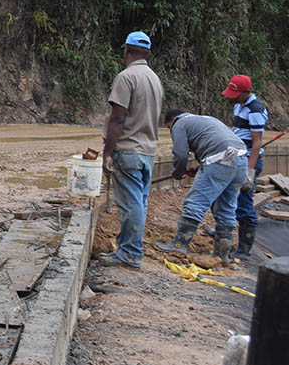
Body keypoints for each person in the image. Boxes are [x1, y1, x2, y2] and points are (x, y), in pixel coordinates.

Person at [97, 31, 164, 268]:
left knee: (130, 204)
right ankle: (127, 247)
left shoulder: (126, 77)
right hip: (147, 151)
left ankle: (131, 253)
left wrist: (107, 153)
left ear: (127, 50)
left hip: (128, 150)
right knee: (139, 202)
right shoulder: (154, 79)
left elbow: (118, 118)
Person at [155, 110, 247, 265]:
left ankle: (179, 245)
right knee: (226, 208)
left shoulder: (179, 124)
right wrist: (198, 169)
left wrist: (177, 173)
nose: (171, 131)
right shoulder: (206, 119)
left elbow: (181, 154)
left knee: (195, 203)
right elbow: (217, 147)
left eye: (169, 127)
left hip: (220, 160)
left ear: (171, 121)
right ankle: (221, 254)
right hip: (241, 161)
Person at [222, 74, 269, 259]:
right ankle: (224, 228)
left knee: (243, 201)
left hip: (248, 159)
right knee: (224, 193)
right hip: (235, 154)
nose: (233, 96)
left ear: (247, 92)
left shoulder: (256, 110)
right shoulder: (239, 106)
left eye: (236, 93)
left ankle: (245, 246)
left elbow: (257, 143)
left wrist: (250, 171)